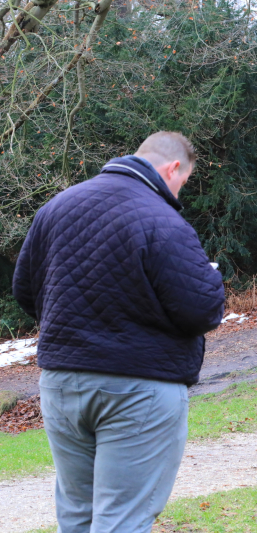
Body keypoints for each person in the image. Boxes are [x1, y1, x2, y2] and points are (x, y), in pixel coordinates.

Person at [13, 131, 225, 532]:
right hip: (138, 389)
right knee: (122, 519)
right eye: (184, 180)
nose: (180, 190)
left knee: (77, 514)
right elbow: (203, 310)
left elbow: (26, 291)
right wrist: (213, 278)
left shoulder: (56, 208)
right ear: (173, 168)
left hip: (61, 382)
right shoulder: (162, 219)